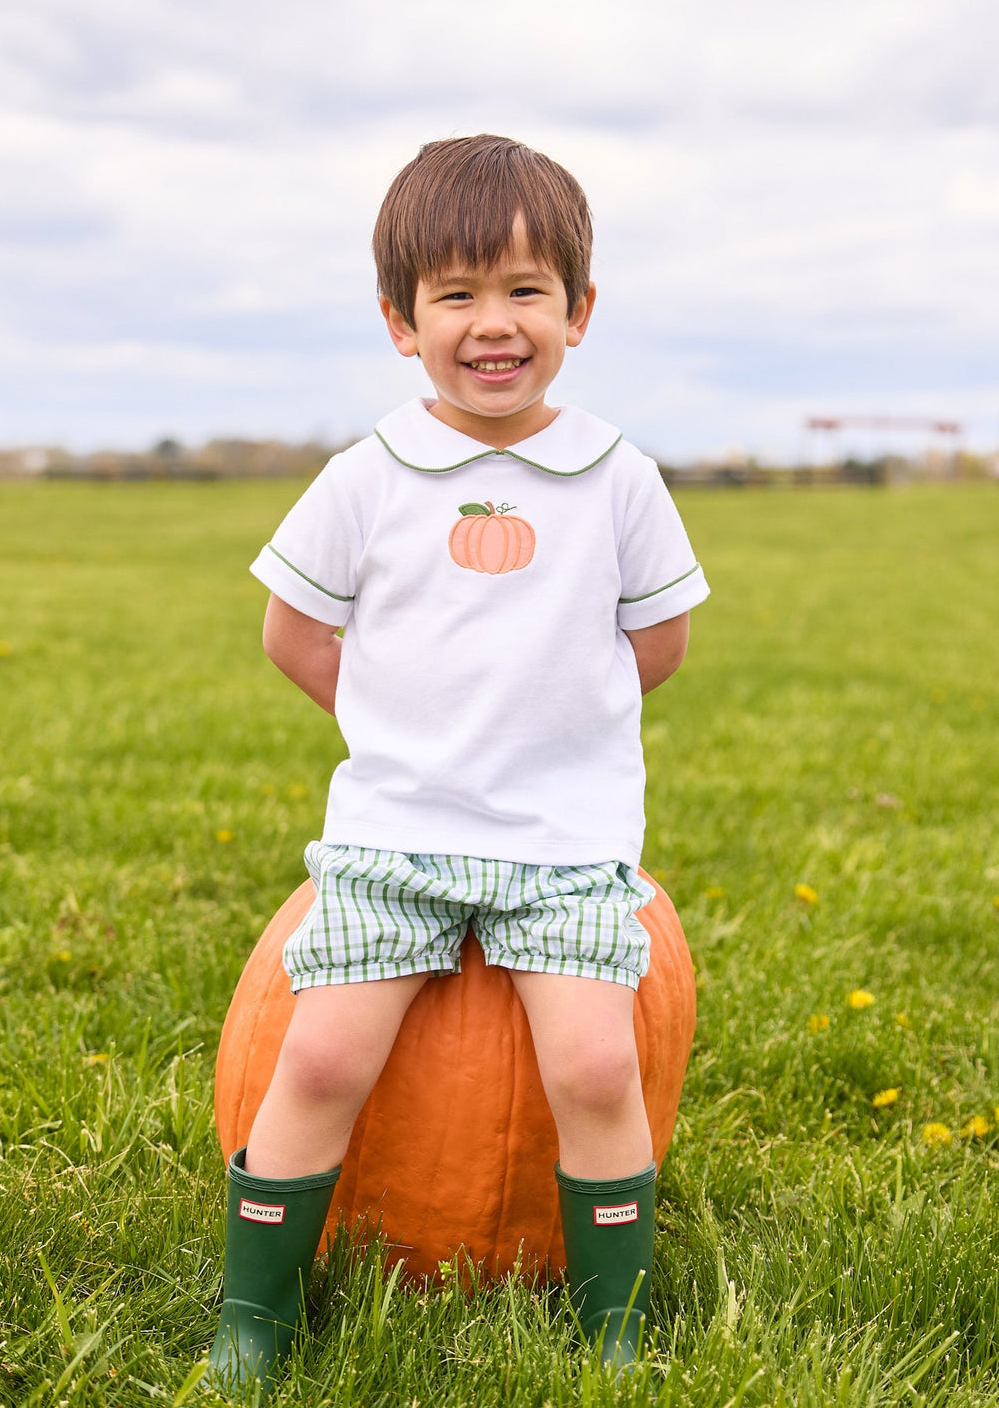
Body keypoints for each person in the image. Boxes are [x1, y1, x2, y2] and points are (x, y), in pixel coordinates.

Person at [208, 133, 710, 1392]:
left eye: (526, 291)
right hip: (397, 830)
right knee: (316, 1055)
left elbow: (658, 640)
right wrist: (399, 723)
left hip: (561, 842)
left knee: (596, 1064)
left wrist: (556, 726)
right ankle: (252, 1320)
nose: (495, 324)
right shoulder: (366, 477)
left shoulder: (617, 477)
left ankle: (612, 1327)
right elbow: (292, 629)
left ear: (578, 311)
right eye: (457, 295)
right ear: (400, 320)